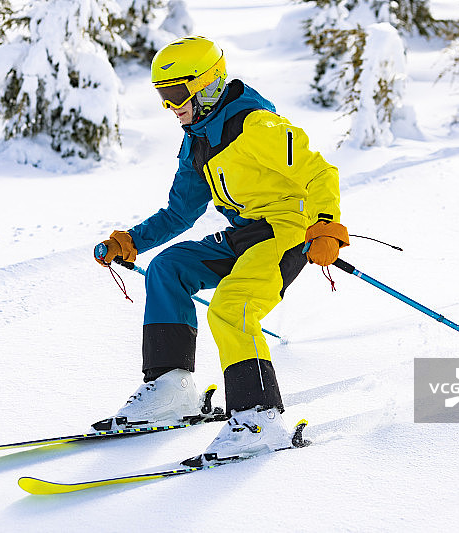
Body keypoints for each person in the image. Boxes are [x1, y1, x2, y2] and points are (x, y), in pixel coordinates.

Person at [94, 36, 348, 460]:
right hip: (246, 233)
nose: (171, 106)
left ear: (208, 84)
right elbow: (179, 213)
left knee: (232, 308)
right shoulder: (197, 142)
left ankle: (258, 419)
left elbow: (318, 172)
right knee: (168, 268)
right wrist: (131, 242)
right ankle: (171, 387)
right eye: (163, 96)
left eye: (176, 93)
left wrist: (325, 226)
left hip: (288, 231)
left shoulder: (257, 126)